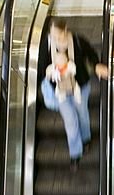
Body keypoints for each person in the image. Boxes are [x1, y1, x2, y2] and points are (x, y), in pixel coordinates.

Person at [38, 17, 110, 171]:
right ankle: (75, 154)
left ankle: (86, 138)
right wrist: (51, 73)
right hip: (61, 92)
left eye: (58, 35)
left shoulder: (77, 40)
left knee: (82, 114)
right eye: (53, 35)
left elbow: (91, 54)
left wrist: (96, 65)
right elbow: (41, 67)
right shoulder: (46, 45)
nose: (55, 38)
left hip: (80, 87)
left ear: (65, 31)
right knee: (70, 121)